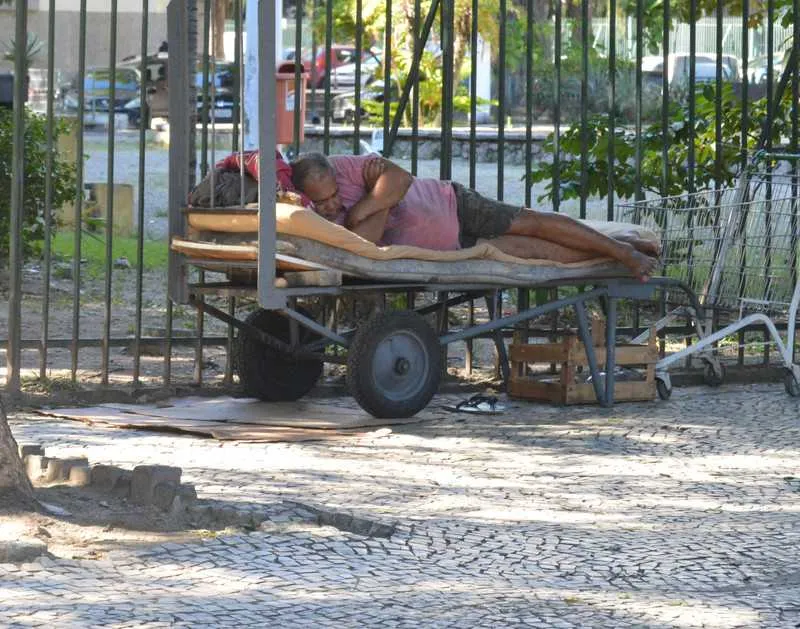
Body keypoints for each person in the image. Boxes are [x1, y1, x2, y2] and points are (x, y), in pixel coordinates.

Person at [290, 152, 659, 281]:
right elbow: (366, 240)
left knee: (532, 221)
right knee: (534, 250)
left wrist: (364, 208)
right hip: (454, 244)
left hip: (452, 203)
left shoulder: (343, 169)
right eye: (322, 203)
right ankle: (621, 248)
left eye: (335, 196)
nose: (331, 206)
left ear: (335, 177)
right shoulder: (307, 212)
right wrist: (382, 195)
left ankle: (626, 252)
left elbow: (401, 179)